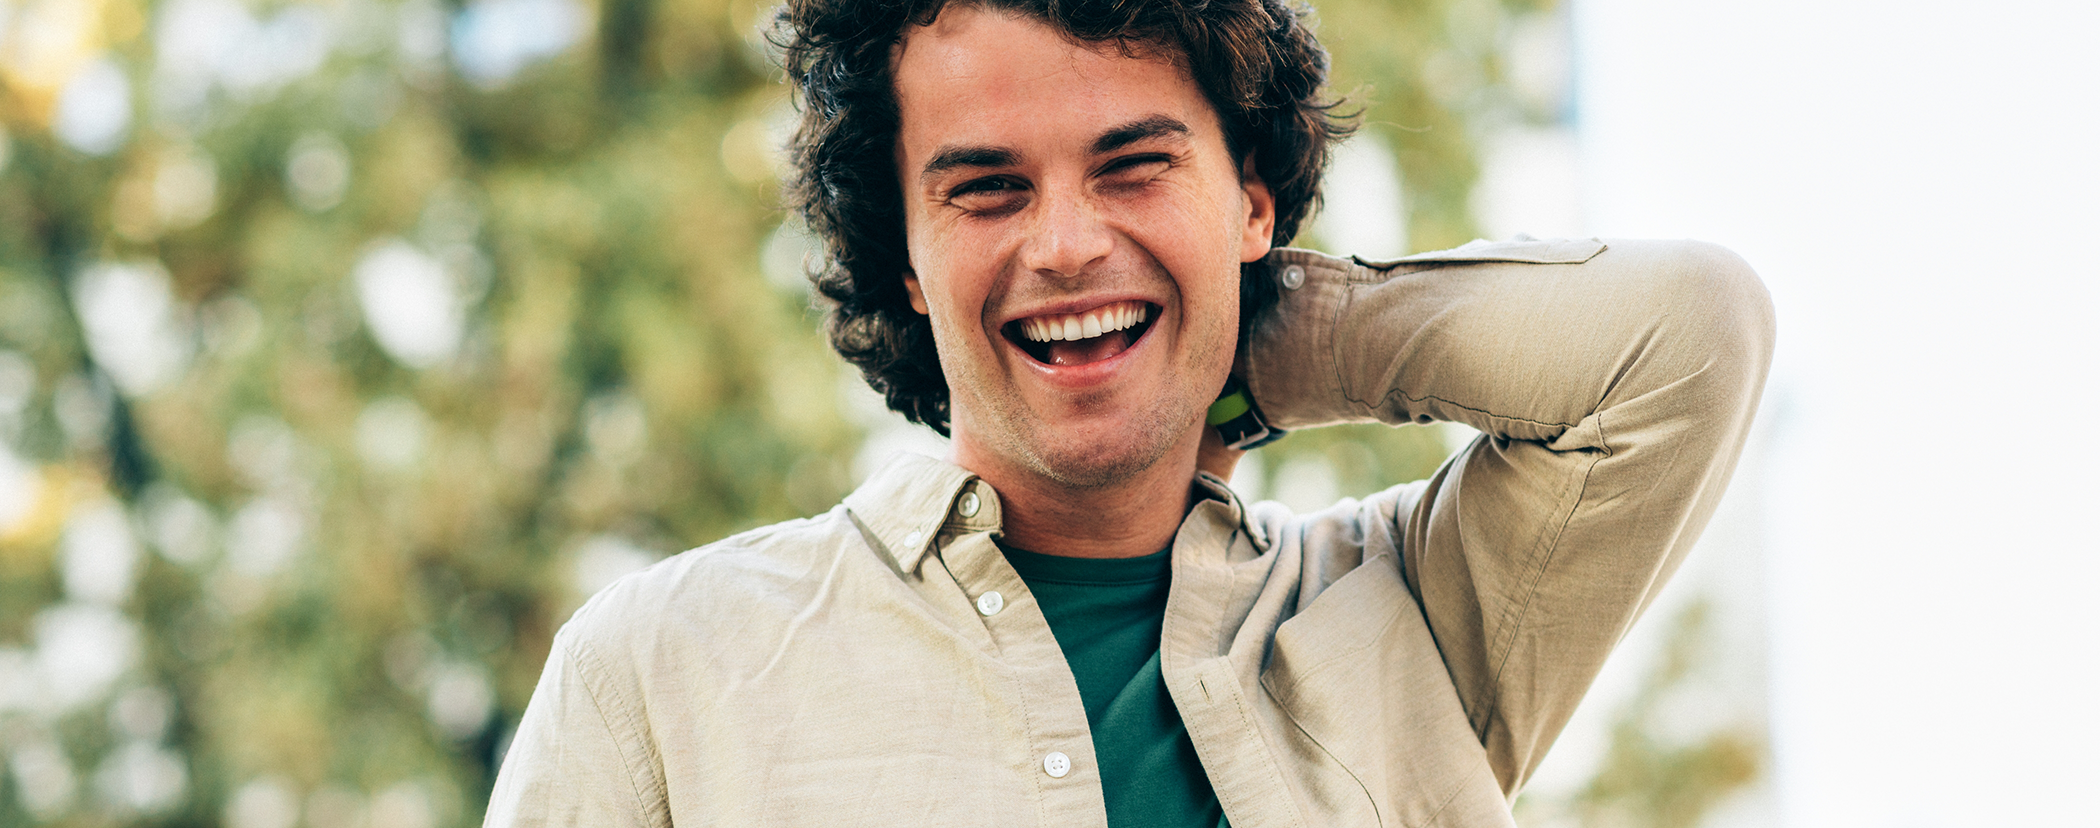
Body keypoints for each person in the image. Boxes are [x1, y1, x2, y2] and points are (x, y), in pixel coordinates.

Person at [483, 0, 1774, 825]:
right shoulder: (662, 671)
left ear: (1252, 196)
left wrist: (1245, 334)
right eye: (986, 190)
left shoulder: (1414, 625)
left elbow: (1684, 338)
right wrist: (1167, 304)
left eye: (1134, 166)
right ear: (903, 262)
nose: (1063, 244)